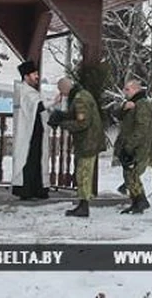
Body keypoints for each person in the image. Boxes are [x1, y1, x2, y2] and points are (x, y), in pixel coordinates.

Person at [51, 77, 106, 217]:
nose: (63, 96)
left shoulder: (80, 99)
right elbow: (75, 115)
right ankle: (82, 204)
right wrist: (62, 116)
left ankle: (84, 206)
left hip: (88, 142)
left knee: (83, 174)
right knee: (82, 173)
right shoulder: (81, 95)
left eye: (62, 92)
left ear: (65, 89)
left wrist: (63, 124)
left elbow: (83, 123)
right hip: (88, 141)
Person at [11, 60, 50, 201]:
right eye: (34, 74)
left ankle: (37, 188)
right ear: (26, 76)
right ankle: (27, 189)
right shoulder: (24, 91)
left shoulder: (28, 91)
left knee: (36, 159)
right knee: (29, 159)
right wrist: (54, 101)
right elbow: (38, 107)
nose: (37, 77)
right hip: (29, 133)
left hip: (35, 131)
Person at [115, 79, 152, 214]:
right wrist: (124, 108)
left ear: (136, 90)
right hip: (128, 143)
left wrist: (130, 147)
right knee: (128, 174)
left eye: (128, 89)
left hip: (137, 146)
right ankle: (136, 201)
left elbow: (141, 128)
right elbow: (117, 116)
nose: (125, 92)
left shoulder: (142, 104)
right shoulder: (131, 104)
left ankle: (140, 200)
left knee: (132, 174)